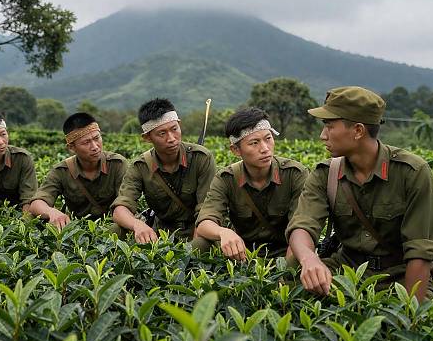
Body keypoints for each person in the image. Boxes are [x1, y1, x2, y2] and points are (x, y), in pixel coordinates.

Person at [286, 86, 433, 302]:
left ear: (358, 130)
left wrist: (410, 313)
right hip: (346, 269)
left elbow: (420, 253)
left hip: (399, 275)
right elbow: (302, 225)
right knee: (288, 294)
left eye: (329, 126)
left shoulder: (411, 173)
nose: (323, 136)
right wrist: (310, 259)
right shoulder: (325, 173)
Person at [194, 107, 308, 260]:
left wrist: (286, 274)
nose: (265, 148)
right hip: (242, 254)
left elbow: (300, 230)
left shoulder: (294, 174)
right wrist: (224, 232)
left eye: (268, 138)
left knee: (299, 251)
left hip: (285, 251)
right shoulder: (226, 178)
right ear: (235, 150)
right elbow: (204, 223)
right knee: (200, 244)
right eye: (254, 143)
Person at [112, 98, 216, 243]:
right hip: (161, 234)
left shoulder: (201, 158)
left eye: (174, 129)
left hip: (198, 230)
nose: (172, 138)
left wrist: (192, 251)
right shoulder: (140, 166)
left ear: (179, 124)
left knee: (202, 244)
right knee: (115, 229)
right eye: (162, 134)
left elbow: (206, 211)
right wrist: (138, 225)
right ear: (147, 137)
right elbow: (120, 210)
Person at [29, 112, 127, 229]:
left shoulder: (117, 164)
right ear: (71, 148)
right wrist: (52, 212)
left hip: (113, 225)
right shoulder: (61, 171)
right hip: (77, 231)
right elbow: (36, 203)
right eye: (86, 142)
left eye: (97, 138)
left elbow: (125, 204)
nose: (95, 146)